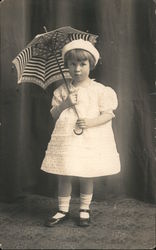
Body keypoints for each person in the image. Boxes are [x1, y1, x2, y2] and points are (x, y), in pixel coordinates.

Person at [41, 39, 121, 227]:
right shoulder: (62, 90)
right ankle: (62, 209)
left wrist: (91, 122)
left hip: (89, 139)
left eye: (82, 64)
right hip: (67, 139)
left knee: (87, 173)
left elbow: (108, 114)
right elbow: (53, 114)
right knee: (65, 172)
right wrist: (65, 104)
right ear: (67, 65)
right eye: (72, 64)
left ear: (91, 65)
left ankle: (84, 208)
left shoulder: (100, 90)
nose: (77, 69)